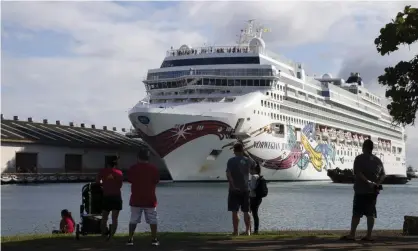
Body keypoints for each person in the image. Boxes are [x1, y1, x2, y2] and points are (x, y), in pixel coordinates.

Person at [341, 139, 386, 241]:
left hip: (361, 190)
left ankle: (352, 234)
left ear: (363, 147)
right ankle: (369, 235)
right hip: (373, 191)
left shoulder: (359, 158)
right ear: (372, 148)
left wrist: (368, 182)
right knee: (371, 213)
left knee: (356, 213)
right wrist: (377, 183)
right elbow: (383, 174)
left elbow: (358, 173)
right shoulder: (378, 160)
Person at [126, 149, 160, 246]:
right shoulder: (154, 169)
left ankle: (130, 239)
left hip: (136, 198)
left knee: (133, 219)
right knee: (153, 219)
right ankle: (154, 239)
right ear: (148, 158)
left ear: (138, 158)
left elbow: (130, 180)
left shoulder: (133, 168)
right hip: (150, 199)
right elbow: (156, 181)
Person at [226, 142, 254, 236]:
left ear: (234, 151)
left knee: (235, 211)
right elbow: (254, 167)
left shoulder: (230, 161)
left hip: (234, 189)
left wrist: (232, 185)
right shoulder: (248, 160)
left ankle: (236, 231)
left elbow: (228, 174)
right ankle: (248, 231)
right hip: (245, 189)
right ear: (242, 150)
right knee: (246, 211)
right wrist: (246, 154)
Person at [96, 156, 123, 240]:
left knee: (104, 218)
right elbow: (120, 185)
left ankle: (104, 234)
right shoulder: (119, 173)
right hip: (116, 197)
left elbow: (98, 181)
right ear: (115, 164)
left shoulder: (102, 172)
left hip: (106, 197)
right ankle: (112, 235)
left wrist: (103, 184)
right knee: (115, 218)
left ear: (107, 164)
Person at [249, 162, 262, 234]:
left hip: (253, 197)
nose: (249, 171)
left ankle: (249, 230)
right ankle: (255, 230)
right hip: (258, 198)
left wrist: (248, 184)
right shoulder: (259, 176)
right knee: (255, 214)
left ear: (254, 170)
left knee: (250, 213)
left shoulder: (254, 176)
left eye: (250, 169)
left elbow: (252, 188)